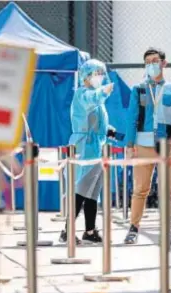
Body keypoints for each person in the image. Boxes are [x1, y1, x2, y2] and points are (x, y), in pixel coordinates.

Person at [124, 47, 171, 245]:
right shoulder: (139, 89)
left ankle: (167, 229)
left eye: (155, 60)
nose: (151, 65)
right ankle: (134, 227)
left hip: (168, 145)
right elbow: (132, 118)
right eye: (148, 62)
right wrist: (129, 145)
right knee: (140, 189)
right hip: (143, 144)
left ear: (164, 63)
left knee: (167, 190)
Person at [59, 59, 115, 244]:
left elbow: (95, 120)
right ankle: (68, 230)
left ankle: (89, 231)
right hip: (84, 147)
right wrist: (104, 92)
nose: (100, 77)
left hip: (97, 146)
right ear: (86, 76)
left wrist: (108, 130)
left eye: (101, 74)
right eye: (96, 74)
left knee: (92, 192)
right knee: (81, 190)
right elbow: (92, 101)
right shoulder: (83, 94)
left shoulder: (94, 95)